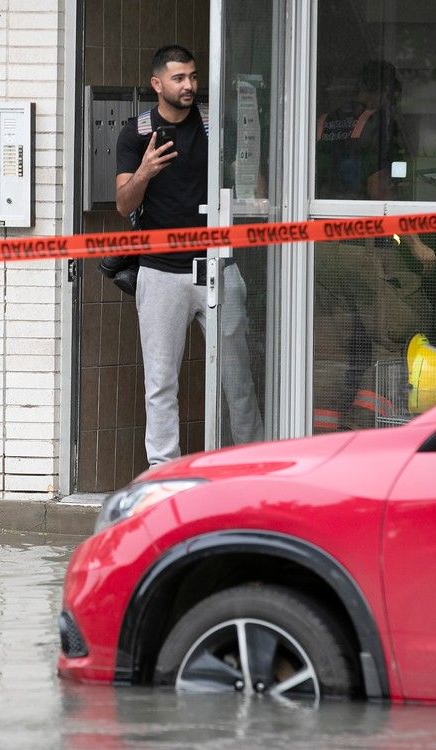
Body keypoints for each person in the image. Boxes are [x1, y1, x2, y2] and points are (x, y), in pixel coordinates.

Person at [115, 44, 263, 466]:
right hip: (160, 273)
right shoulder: (137, 132)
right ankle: (163, 471)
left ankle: (250, 464)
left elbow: (252, 186)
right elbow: (124, 204)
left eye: (193, 77)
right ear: (157, 84)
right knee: (161, 383)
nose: (189, 86)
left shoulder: (217, 126)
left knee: (238, 378)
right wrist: (145, 170)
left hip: (219, 267)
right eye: (179, 78)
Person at [312, 60, 435, 431]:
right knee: (395, 334)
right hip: (362, 248)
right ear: (385, 92)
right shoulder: (380, 122)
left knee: (331, 349)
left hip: (321, 246)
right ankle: (365, 426)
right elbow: (380, 189)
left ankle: (323, 432)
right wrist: (416, 245)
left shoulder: (324, 122)